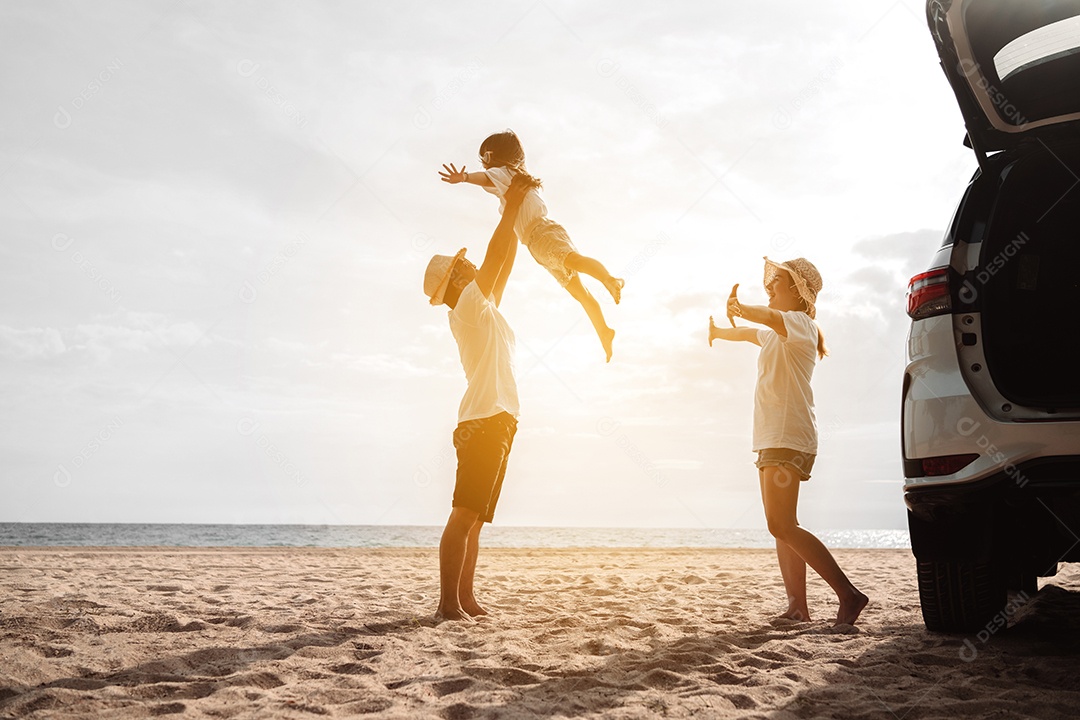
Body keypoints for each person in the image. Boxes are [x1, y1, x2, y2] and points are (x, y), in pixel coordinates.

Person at [708, 257, 869, 626]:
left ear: (798, 290)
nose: (770, 287)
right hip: (772, 436)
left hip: (788, 436)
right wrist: (719, 331)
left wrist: (739, 308)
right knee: (783, 525)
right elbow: (752, 333)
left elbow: (763, 319)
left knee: (780, 524)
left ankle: (849, 594)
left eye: (777, 282)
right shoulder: (778, 333)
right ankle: (798, 606)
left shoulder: (800, 323)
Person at [423, 174, 532, 622]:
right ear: (453, 283)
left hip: (499, 418)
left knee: (476, 520)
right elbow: (492, 256)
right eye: (460, 269)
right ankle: (448, 605)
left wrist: (513, 204)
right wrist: (513, 202)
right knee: (464, 515)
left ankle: (465, 599)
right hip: (483, 421)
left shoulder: (481, 307)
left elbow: (502, 261)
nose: (468, 268)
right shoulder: (466, 307)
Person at [438, 129, 624, 362]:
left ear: (494, 157)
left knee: (575, 263)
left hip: (541, 236)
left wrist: (464, 178)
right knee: (579, 291)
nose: (484, 166)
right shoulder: (515, 180)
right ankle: (604, 331)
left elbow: (485, 178)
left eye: (484, 159)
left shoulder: (505, 174)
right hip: (538, 243)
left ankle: (609, 279)